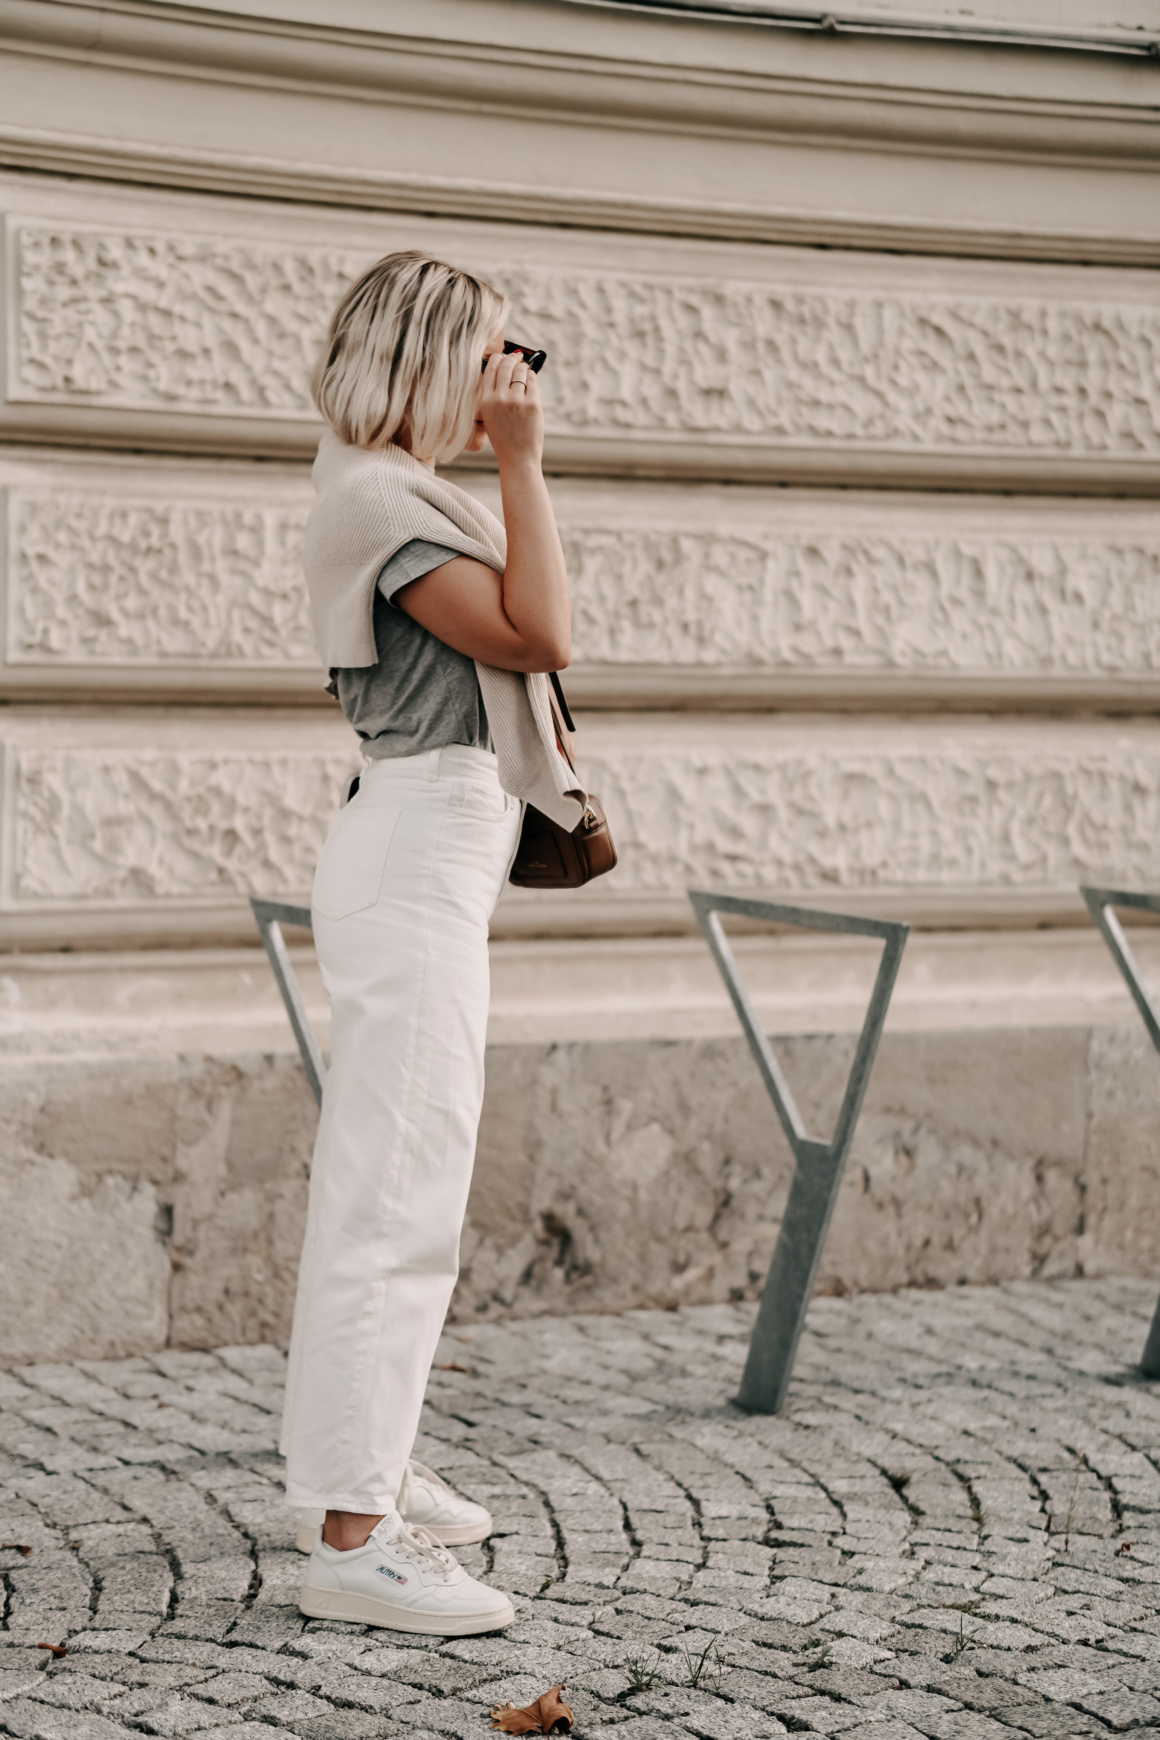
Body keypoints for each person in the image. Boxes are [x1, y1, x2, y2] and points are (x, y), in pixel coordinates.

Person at [280, 250, 582, 1637]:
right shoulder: (382, 501)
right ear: (432, 359)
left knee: (396, 1181)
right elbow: (538, 630)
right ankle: (355, 1539)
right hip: (412, 852)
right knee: (396, 1194)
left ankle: (364, 1474)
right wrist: (524, 459)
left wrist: (504, 461)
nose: (509, 380)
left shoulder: (390, 490)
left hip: (423, 849)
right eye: (496, 356)